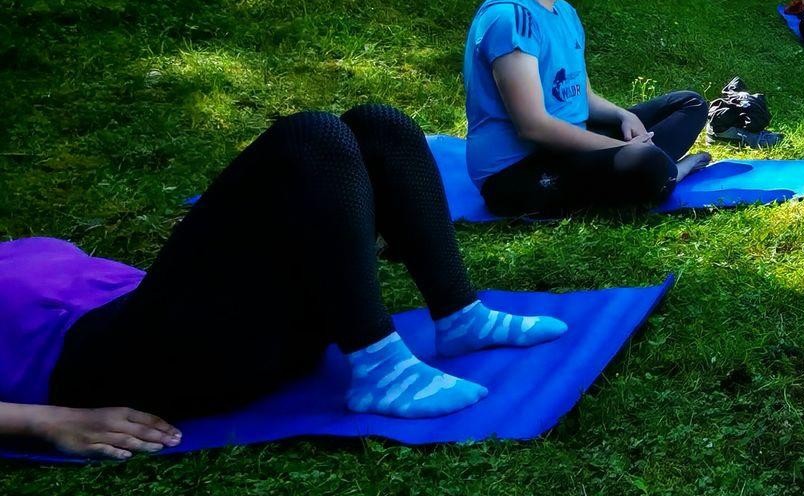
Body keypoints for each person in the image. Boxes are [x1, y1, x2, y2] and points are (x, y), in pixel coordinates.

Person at [0, 106, 566, 458]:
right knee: (310, 138)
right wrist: (48, 421)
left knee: (379, 126)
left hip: (195, 326)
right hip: (111, 365)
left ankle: (459, 315)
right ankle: (379, 370)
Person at [464, 0, 711, 217]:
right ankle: (670, 172)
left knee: (689, 104)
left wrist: (624, 116)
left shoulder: (565, 12)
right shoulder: (511, 18)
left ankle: (650, 167)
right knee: (644, 162)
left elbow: (583, 95)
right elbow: (533, 127)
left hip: (571, 144)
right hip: (518, 171)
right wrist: (622, 149)